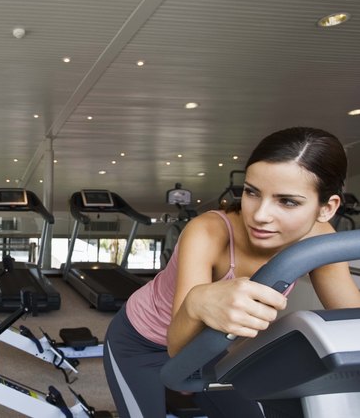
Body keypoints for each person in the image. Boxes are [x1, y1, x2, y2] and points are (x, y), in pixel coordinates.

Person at [103, 127, 360, 418]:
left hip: (215, 348)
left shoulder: (319, 242)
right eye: (252, 192)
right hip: (139, 341)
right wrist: (197, 301)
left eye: (287, 201)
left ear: (327, 208)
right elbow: (179, 348)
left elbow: (352, 318)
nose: (260, 215)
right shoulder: (208, 232)